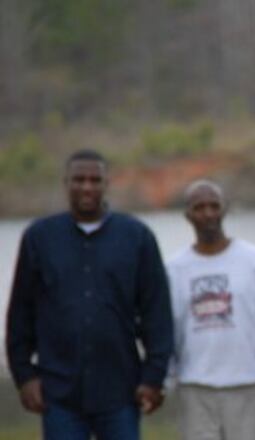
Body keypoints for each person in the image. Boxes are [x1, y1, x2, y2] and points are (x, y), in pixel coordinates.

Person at [5, 149, 173, 440]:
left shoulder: (137, 237)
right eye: (79, 179)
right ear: (66, 183)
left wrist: (153, 377)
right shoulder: (39, 238)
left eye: (95, 180)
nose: (87, 187)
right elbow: (20, 313)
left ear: (107, 184)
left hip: (121, 390)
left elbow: (156, 313)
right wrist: (25, 376)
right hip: (58, 393)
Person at [166, 180, 255, 440]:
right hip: (195, 387)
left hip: (251, 385)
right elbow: (168, 328)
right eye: (199, 207)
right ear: (187, 214)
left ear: (224, 209)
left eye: (213, 206)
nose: (207, 214)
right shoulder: (173, 268)